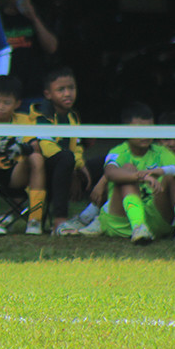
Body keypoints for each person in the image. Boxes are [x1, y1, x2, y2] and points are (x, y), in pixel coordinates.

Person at [98, 102, 175, 244]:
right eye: (139, 130)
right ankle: (138, 226)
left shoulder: (159, 151)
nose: (145, 135)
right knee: (128, 169)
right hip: (121, 221)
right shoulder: (119, 151)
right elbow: (110, 172)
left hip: (155, 221)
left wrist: (162, 170)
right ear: (125, 130)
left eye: (149, 129)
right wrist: (141, 176)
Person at [28, 67, 104, 235]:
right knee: (65, 157)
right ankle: (59, 221)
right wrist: (72, 167)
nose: (67, 93)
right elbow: (46, 147)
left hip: (70, 167)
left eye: (71, 88)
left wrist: (79, 167)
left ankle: (94, 214)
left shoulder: (73, 116)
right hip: (42, 172)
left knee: (109, 162)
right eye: (61, 90)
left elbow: (76, 147)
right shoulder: (41, 115)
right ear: (48, 94)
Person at [0, 75, 46, 235]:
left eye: (6, 103)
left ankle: (35, 220)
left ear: (17, 103)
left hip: (16, 173)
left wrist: (21, 148)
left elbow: (35, 147)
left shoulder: (25, 120)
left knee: (37, 158)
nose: (0, 107)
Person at [0, 0, 59, 108]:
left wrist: (34, 18)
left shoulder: (38, 14)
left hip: (34, 90)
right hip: (7, 92)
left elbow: (52, 47)